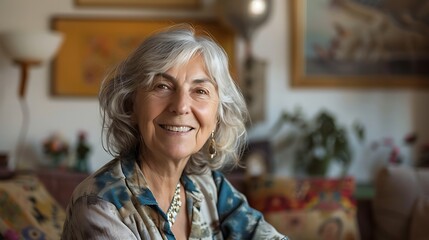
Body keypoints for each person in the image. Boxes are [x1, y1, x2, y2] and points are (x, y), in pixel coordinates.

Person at [61, 24, 287, 240]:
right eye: (162, 86)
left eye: (200, 90)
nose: (180, 106)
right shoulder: (100, 204)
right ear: (131, 105)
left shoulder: (209, 188)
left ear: (218, 116)